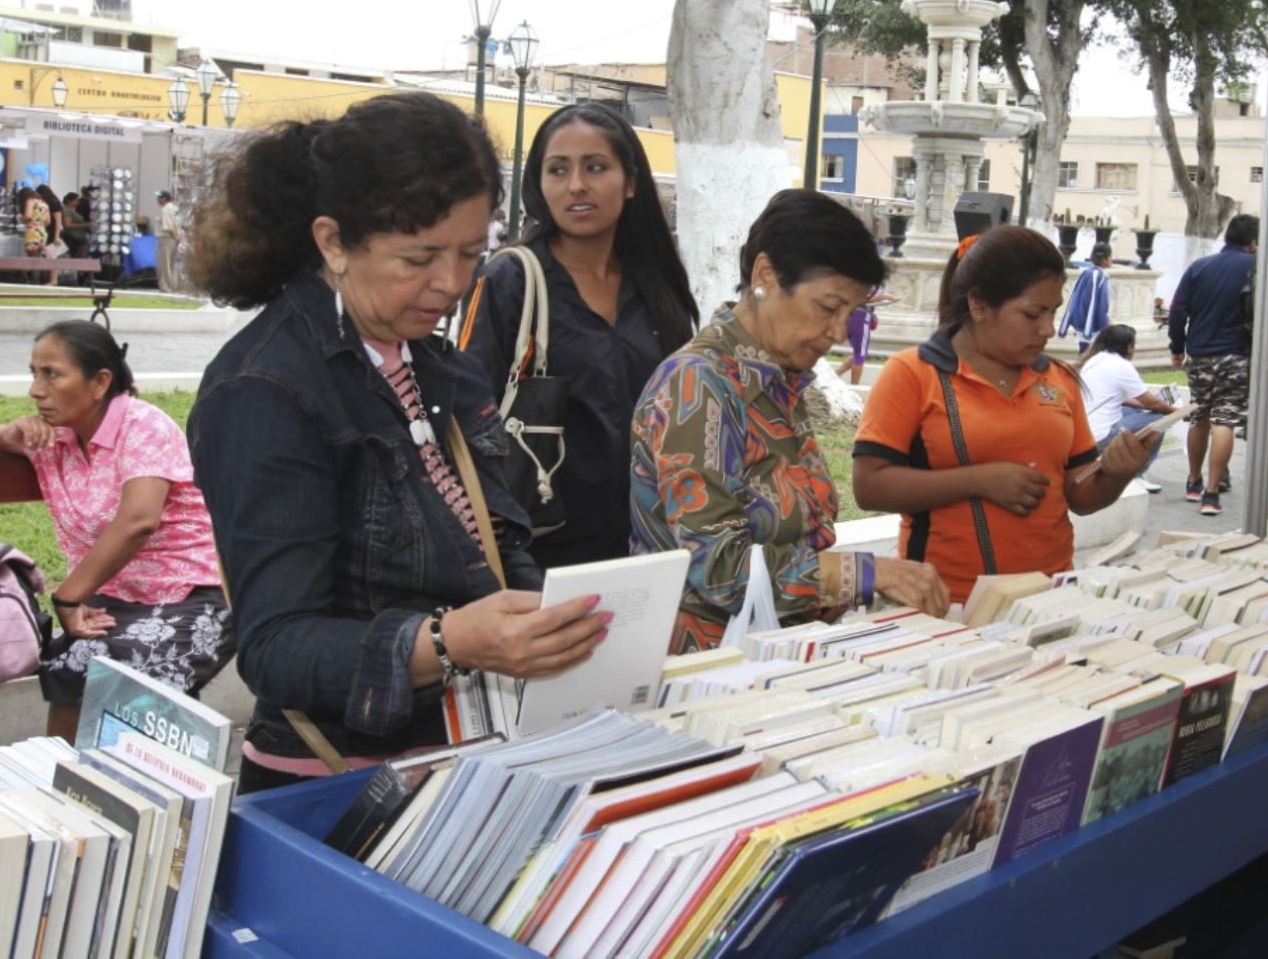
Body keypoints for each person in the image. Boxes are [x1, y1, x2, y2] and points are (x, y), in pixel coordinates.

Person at [185, 92, 607, 791]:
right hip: (338, 784)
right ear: (332, 242)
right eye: (419, 258)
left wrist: (557, 619)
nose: (451, 283)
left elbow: (493, 547)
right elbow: (275, 648)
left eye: (472, 253)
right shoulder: (264, 389)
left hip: (463, 757)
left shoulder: (439, 363)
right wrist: (445, 642)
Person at [632, 189, 946, 653]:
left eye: (852, 312)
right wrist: (864, 573)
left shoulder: (778, 381)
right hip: (710, 670)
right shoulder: (699, 386)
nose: (840, 332)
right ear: (765, 276)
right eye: (828, 307)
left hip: (775, 655)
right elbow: (718, 569)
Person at [0, 322, 232, 742]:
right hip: (112, 598)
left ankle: (149, 793)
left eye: (52, 374)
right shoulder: (52, 439)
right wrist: (4, 433)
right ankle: (59, 784)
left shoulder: (142, 425)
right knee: (69, 663)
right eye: (34, 372)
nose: (35, 389)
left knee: (140, 675)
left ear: (100, 381)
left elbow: (138, 521)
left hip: (192, 593)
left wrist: (69, 595)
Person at [854, 225, 1155, 603]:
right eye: (1032, 314)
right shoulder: (913, 374)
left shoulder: (1059, 380)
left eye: (1053, 312)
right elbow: (869, 487)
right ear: (978, 305)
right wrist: (979, 480)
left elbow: (1080, 495)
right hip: (945, 603)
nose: (1047, 329)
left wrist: (1117, 473)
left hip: (1048, 598)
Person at [458, 103, 698, 566]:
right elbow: (471, 415)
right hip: (540, 552)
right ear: (538, 183)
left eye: (595, 167)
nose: (576, 186)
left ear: (629, 183)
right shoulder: (511, 278)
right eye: (557, 170)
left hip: (652, 543)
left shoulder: (656, 285)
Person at [1166, 213, 1259, 516]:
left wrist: (1177, 347)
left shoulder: (1199, 267)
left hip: (1201, 353)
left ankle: (1193, 480)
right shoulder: (1257, 268)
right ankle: (1212, 493)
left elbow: (1178, 310)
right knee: (1225, 421)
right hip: (1237, 355)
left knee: (1200, 416)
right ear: (1254, 242)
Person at [1077, 324, 1176, 491]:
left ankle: (1122, 463)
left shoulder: (1094, 360)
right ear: (1129, 347)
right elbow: (1153, 404)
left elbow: (1126, 400)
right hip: (1101, 437)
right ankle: (1136, 475)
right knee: (1160, 420)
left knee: (1135, 411)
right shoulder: (1121, 366)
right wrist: (1178, 413)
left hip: (1086, 432)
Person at [1057, 243, 1112, 350]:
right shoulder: (1098, 276)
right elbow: (1096, 303)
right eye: (1110, 256)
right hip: (1092, 326)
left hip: (1085, 324)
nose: (1111, 259)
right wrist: (1104, 324)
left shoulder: (1088, 272)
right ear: (1104, 259)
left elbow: (1076, 298)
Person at [835, 290, 896, 387]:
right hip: (860, 318)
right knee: (860, 355)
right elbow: (862, 297)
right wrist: (885, 296)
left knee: (858, 353)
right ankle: (854, 387)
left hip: (850, 317)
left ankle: (836, 374)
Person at [155, 190, 183, 293]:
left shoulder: (165, 210)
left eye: (159, 197)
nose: (157, 199)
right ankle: (173, 286)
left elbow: (168, 227)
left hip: (166, 239)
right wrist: (177, 238)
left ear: (165, 198)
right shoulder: (175, 209)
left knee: (164, 263)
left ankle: (166, 287)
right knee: (172, 263)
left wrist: (175, 237)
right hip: (175, 239)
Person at [17, 186, 49, 259]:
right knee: (39, 256)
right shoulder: (44, 203)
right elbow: (48, 221)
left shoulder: (30, 201)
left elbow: (28, 216)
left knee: (32, 257)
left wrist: (22, 219)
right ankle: (38, 270)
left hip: (32, 231)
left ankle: (33, 270)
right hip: (42, 231)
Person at [60, 192, 89, 261]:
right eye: (76, 200)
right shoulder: (67, 210)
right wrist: (85, 225)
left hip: (77, 239)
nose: (77, 202)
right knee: (78, 259)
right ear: (69, 201)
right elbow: (67, 225)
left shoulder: (72, 211)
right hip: (73, 238)